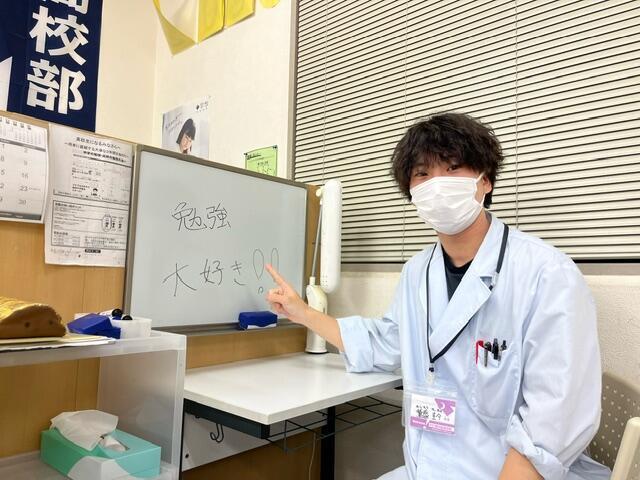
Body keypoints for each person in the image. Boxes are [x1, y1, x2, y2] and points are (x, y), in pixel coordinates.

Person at [266, 113, 611, 479]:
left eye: (453, 167)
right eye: (422, 173)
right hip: (428, 466)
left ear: (485, 180)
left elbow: (554, 419)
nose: (437, 184)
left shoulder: (546, 273)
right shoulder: (417, 271)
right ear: (411, 191)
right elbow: (387, 342)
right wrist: (302, 312)